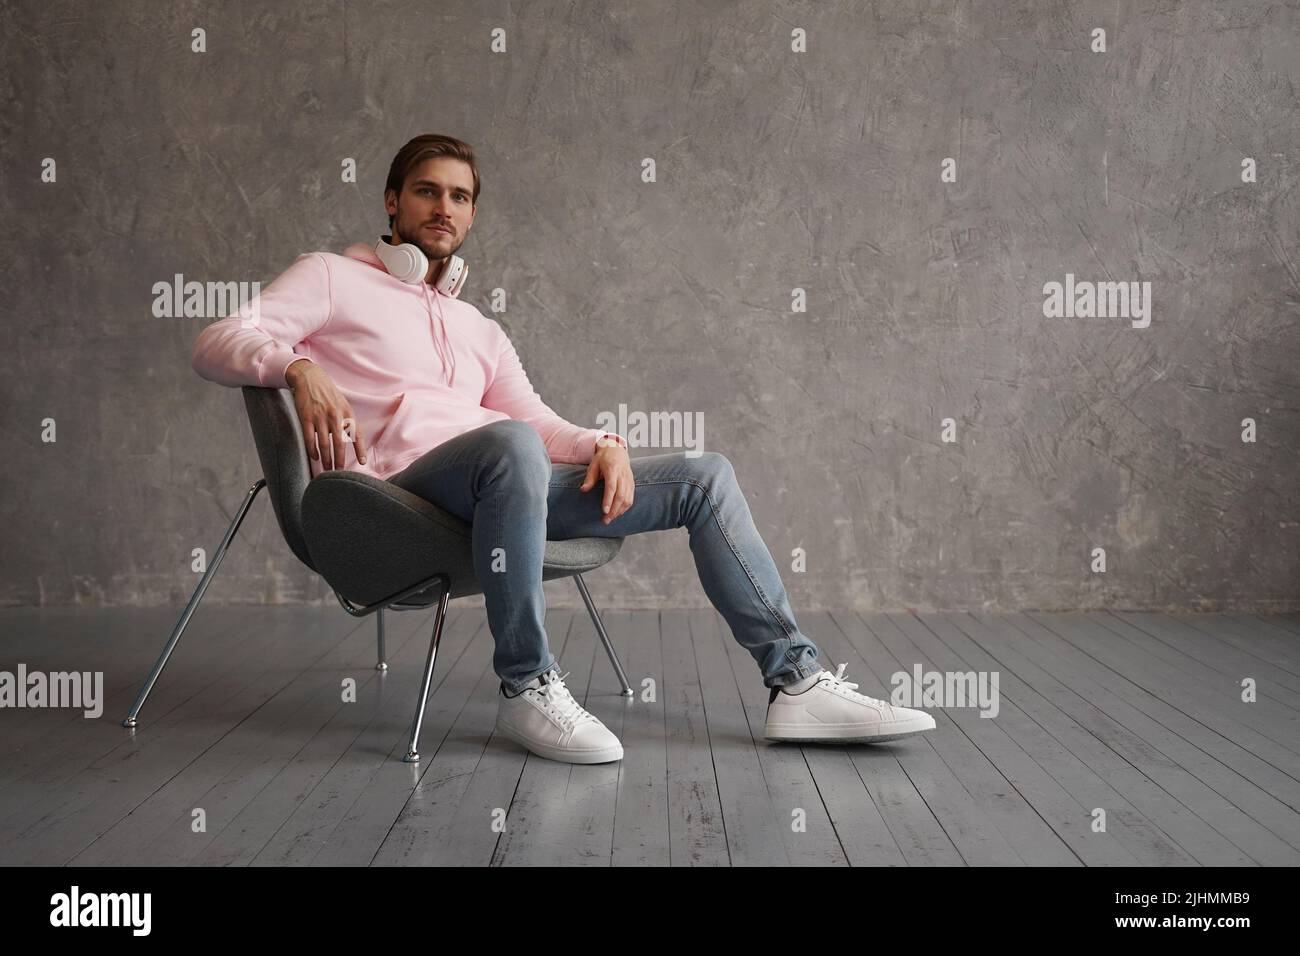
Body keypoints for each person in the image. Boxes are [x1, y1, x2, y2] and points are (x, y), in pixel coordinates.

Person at [191, 133, 936, 764]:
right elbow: (216, 339)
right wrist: (298, 366)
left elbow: (537, 422)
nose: (443, 208)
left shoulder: (479, 327)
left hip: (503, 484)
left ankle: (796, 684)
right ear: (392, 202)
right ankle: (526, 685)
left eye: (460, 197)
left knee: (705, 476)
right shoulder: (331, 277)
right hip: (397, 498)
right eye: (426, 192)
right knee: (510, 446)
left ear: (473, 213)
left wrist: (603, 443)